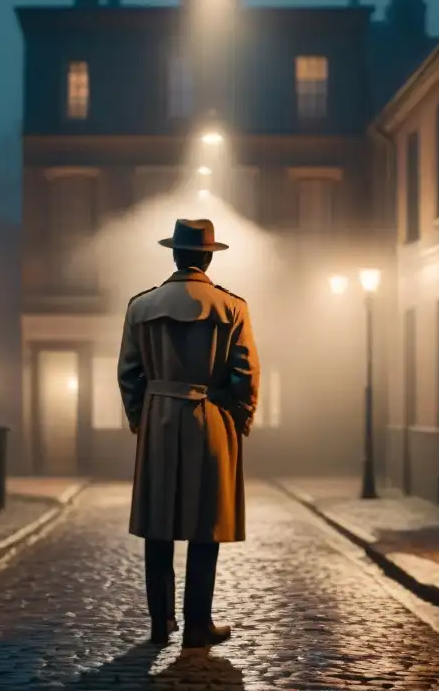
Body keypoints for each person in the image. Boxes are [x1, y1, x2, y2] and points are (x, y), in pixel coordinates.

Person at [117, 218, 260, 648]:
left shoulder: (140, 307)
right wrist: (240, 419)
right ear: (207, 256)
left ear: (175, 255)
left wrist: (141, 417)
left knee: (157, 524)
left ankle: (160, 624)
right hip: (211, 417)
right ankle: (198, 624)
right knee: (205, 525)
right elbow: (245, 374)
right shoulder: (232, 307)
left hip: (160, 417)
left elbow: (129, 373)